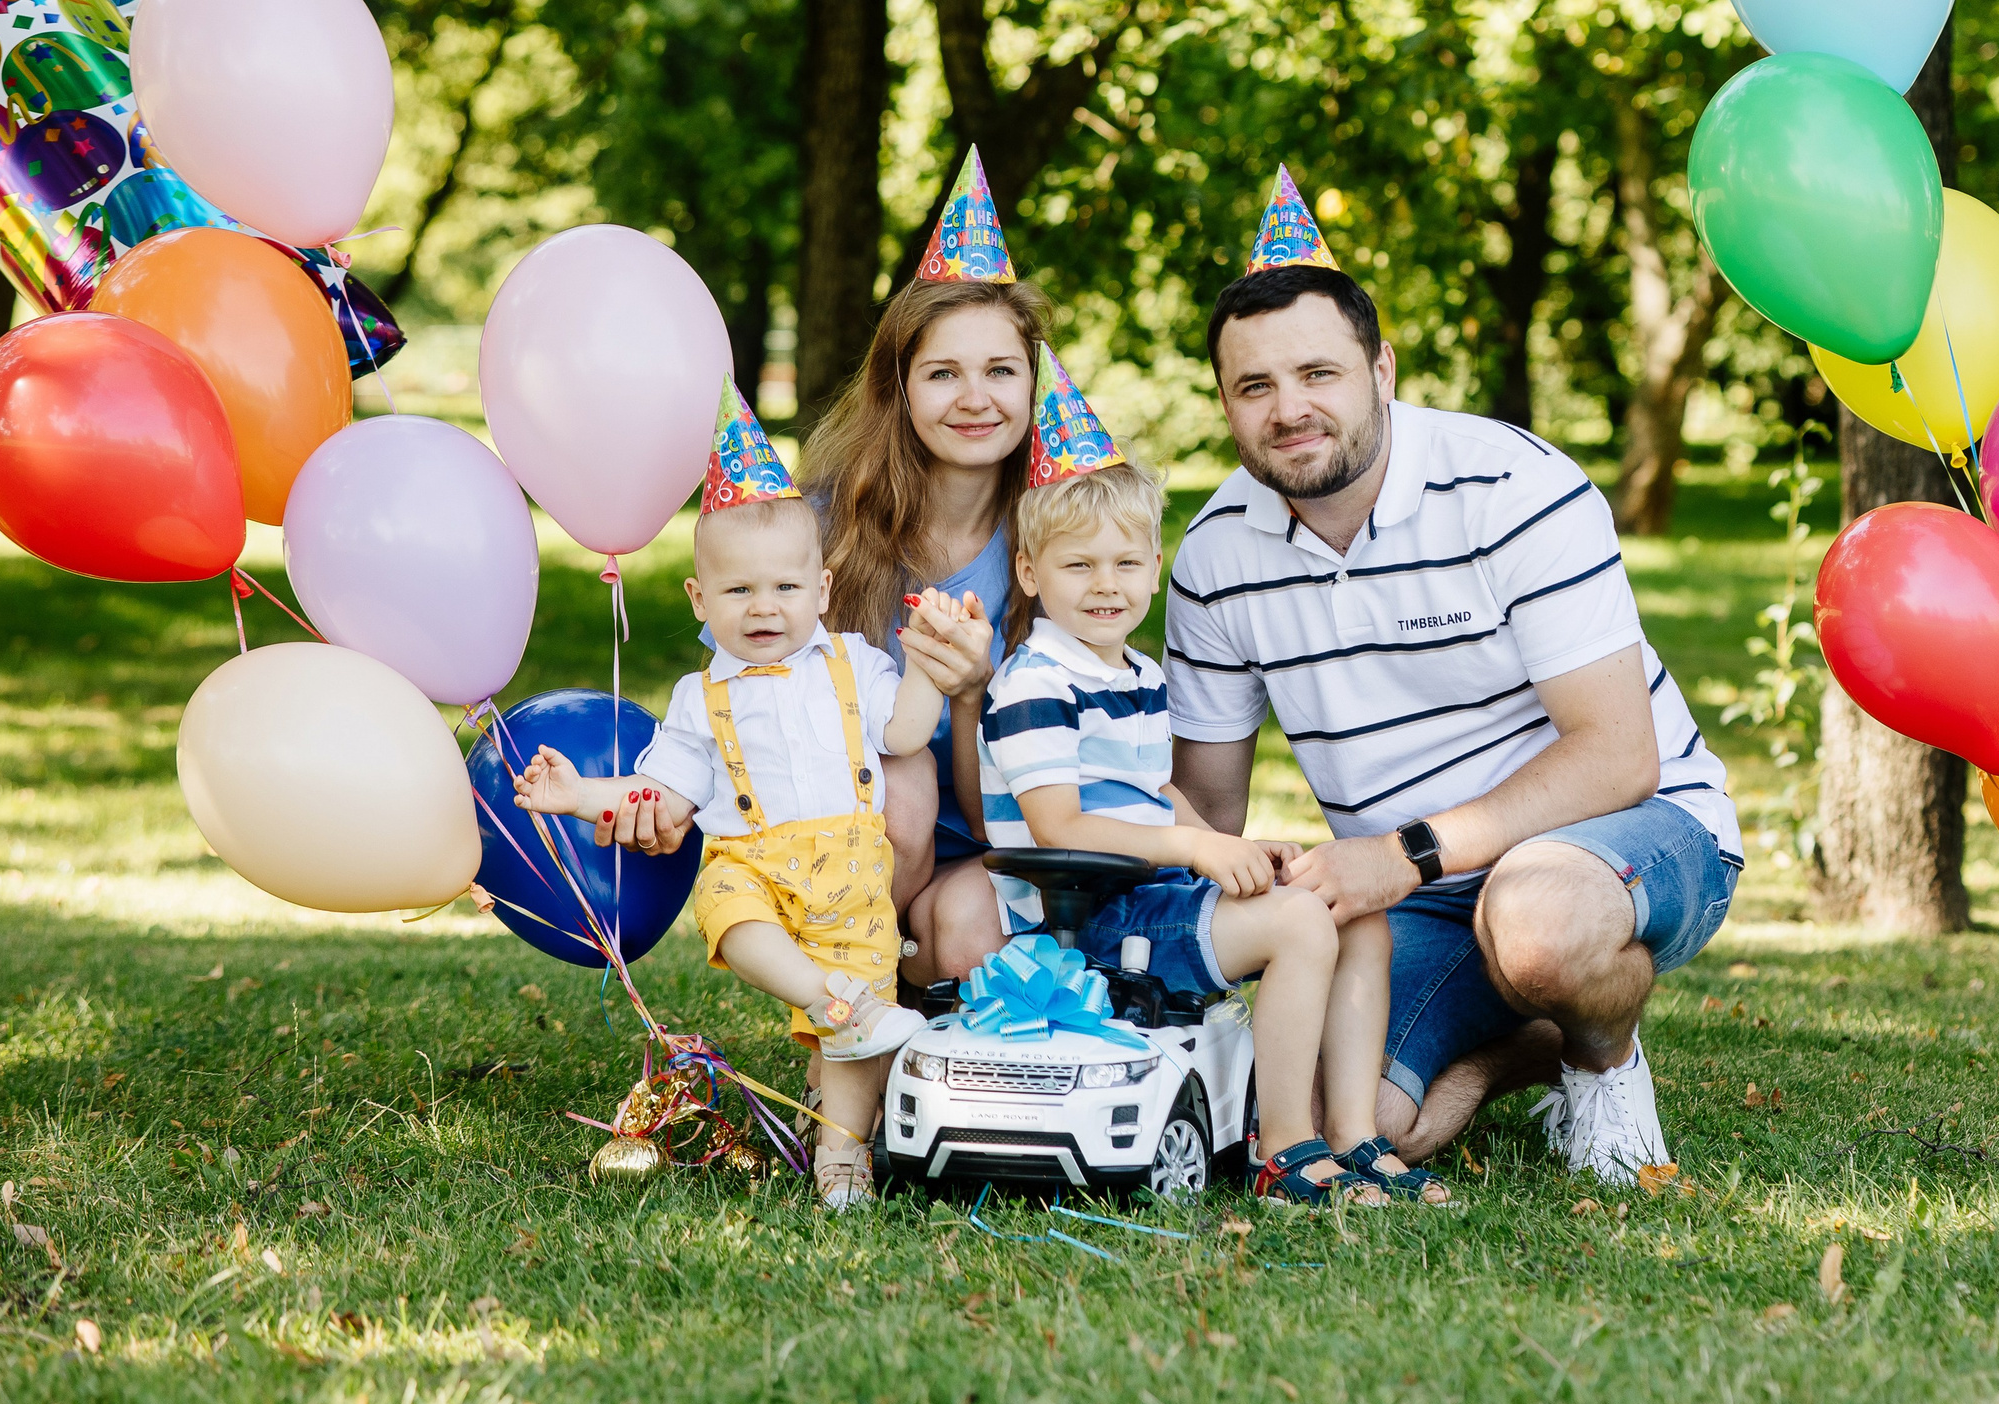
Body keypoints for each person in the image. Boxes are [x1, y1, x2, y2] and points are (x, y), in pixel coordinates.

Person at [1165, 169, 1743, 1184]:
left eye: (1318, 374)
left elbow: (1618, 756)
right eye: (1254, 387)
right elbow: (1207, 811)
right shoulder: (1214, 556)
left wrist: (1399, 854)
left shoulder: (1513, 485)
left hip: (1628, 834)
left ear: (1381, 369)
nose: (1289, 409)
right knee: (1354, 1126)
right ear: (1224, 403)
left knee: (1538, 924)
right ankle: (1536, 1042)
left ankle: (1603, 1058)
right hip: (1413, 896)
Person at [976, 349, 1451, 1206]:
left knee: (1359, 916)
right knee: (1302, 927)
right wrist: (1194, 847)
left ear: (1153, 569)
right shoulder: (1034, 683)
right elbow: (1058, 826)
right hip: (1086, 922)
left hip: (1154, 892)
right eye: (1078, 566)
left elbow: (1157, 791)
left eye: (1125, 564)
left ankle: (1352, 1133)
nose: (1106, 586)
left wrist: (1231, 847)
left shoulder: (1139, 676)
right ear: (1029, 574)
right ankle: (1282, 1146)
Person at [516, 376, 992, 1209]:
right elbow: (659, 796)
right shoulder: (702, 696)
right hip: (754, 861)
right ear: (701, 600)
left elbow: (905, 735)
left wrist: (923, 666)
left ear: (824, 589)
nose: (764, 607)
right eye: (739, 591)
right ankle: (825, 997)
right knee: (731, 918)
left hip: (850, 860)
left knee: (854, 1035)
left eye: (784, 587)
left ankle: (843, 1152)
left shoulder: (857, 663)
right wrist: (578, 794)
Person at [605, 145, 1038, 992]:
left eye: (1001, 371)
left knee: (969, 938)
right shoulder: (824, 524)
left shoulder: (1053, 538)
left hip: (1008, 833)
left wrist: (971, 692)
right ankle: (858, 971)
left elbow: (1031, 801)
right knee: (901, 773)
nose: (975, 397)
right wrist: (676, 789)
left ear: (1035, 383)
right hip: (847, 844)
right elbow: (746, 677)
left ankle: (918, 974)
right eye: (943, 372)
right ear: (899, 386)